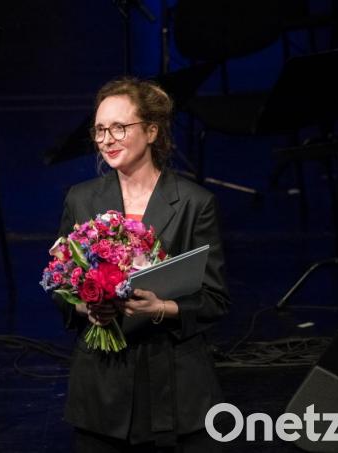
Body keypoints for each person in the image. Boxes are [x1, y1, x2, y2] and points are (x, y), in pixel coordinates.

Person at [54, 77, 231, 452]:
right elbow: (62, 287)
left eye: (119, 127)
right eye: (100, 129)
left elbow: (214, 300)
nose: (107, 139)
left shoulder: (193, 202)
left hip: (175, 385)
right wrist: (87, 306)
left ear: (151, 131)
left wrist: (161, 308)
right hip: (102, 384)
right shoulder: (81, 199)